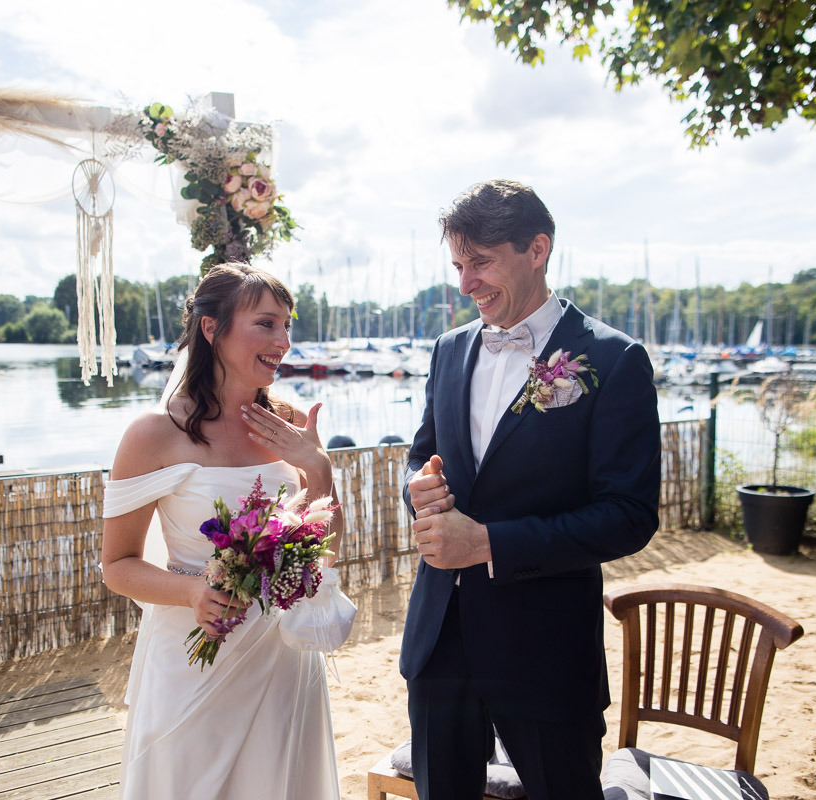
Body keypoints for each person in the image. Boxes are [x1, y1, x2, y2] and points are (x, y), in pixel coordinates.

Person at [401, 179, 662, 800]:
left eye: (481, 262)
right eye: (459, 264)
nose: (466, 283)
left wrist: (489, 542)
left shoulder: (614, 359)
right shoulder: (448, 350)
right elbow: (423, 454)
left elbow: (629, 516)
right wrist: (420, 487)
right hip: (441, 639)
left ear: (537, 248)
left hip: (546, 650)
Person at [101, 263, 342, 800]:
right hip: (192, 656)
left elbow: (325, 553)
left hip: (280, 659)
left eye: (287, 325)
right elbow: (116, 566)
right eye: (266, 324)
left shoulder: (290, 421)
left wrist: (318, 467)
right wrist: (193, 592)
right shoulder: (152, 435)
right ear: (212, 330)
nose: (284, 341)